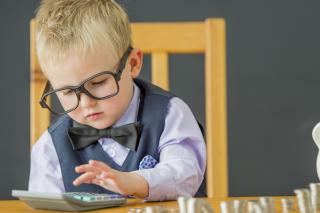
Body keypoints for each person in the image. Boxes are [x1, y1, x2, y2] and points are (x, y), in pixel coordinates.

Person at [29, 0, 206, 201]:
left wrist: (136, 182)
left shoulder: (169, 114)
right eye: (68, 92)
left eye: (98, 83)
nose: (86, 103)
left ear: (133, 63)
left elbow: (185, 174)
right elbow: (44, 205)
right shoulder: (50, 147)